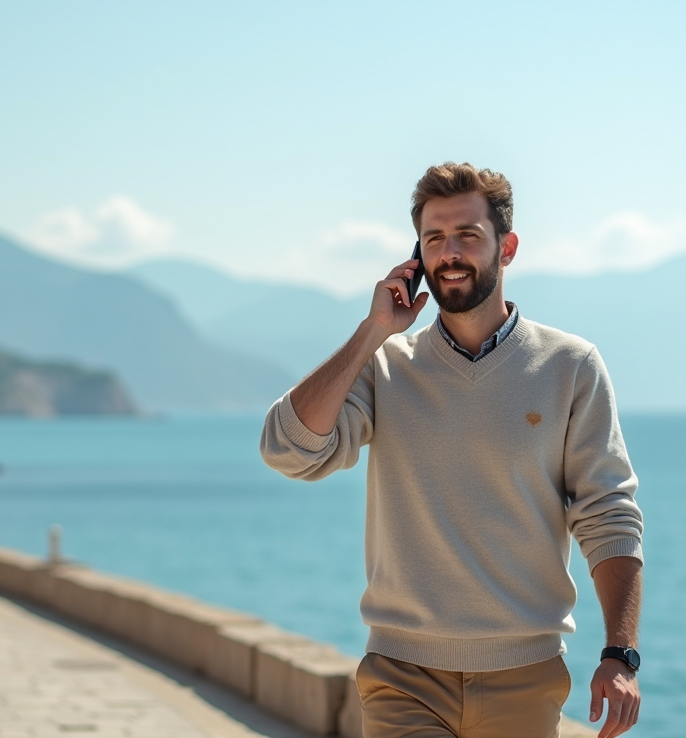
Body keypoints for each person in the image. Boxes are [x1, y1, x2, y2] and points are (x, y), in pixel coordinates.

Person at [260, 162, 643, 738]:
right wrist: (372, 331)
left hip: (525, 676)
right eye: (434, 238)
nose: (450, 253)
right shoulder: (386, 365)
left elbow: (607, 513)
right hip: (402, 675)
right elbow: (288, 450)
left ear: (506, 248)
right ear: (417, 256)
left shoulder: (570, 365)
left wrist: (620, 654)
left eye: (467, 234)